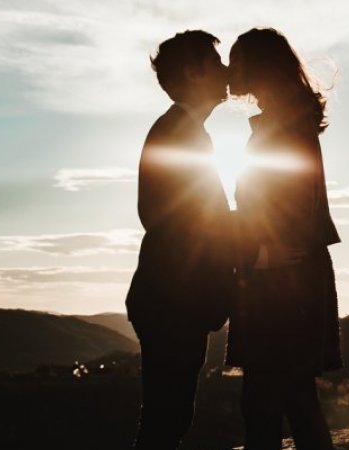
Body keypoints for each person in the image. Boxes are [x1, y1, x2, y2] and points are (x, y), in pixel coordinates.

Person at [225, 28, 343, 450]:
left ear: (258, 66)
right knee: (292, 394)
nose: (228, 69)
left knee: (264, 401)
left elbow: (295, 199)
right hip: (285, 273)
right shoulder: (285, 119)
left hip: (284, 277)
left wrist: (264, 253)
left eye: (236, 60)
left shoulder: (287, 123)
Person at [125, 30, 234, 450]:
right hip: (172, 300)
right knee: (165, 422)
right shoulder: (177, 134)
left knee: (168, 419)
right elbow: (166, 218)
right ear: (193, 73)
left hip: (171, 300)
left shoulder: (184, 131)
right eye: (216, 62)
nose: (226, 70)